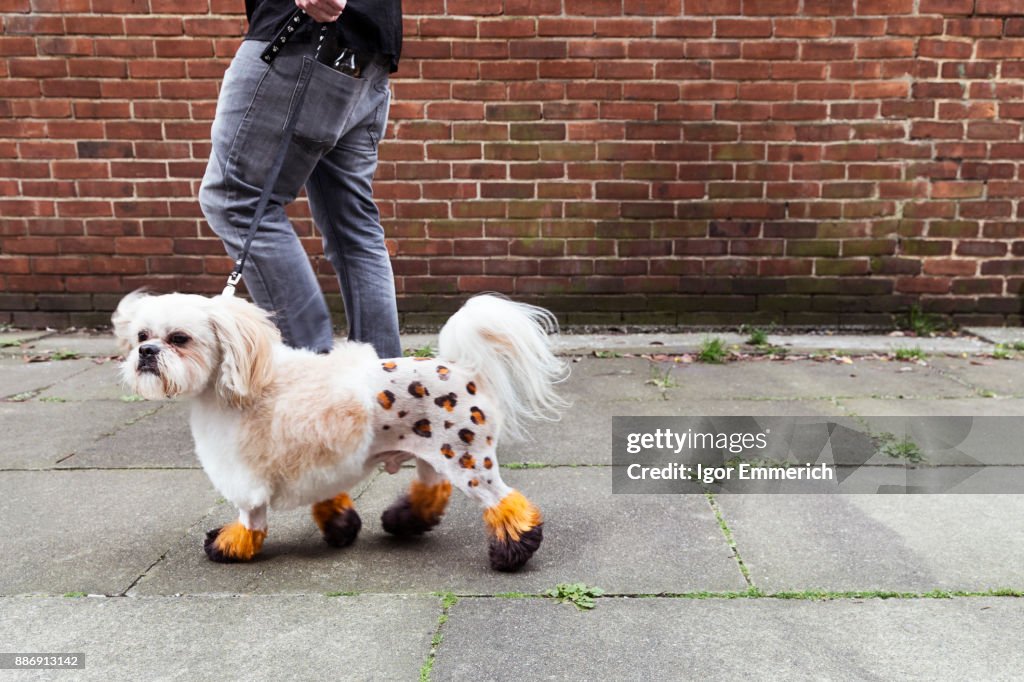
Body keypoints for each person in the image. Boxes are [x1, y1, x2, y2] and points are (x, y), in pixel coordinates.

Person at [199, 0, 403, 358]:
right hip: (369, 53)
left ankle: (312, 375)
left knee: (234, 200)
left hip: (305, 34)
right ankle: (384, 385)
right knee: (353, 226)